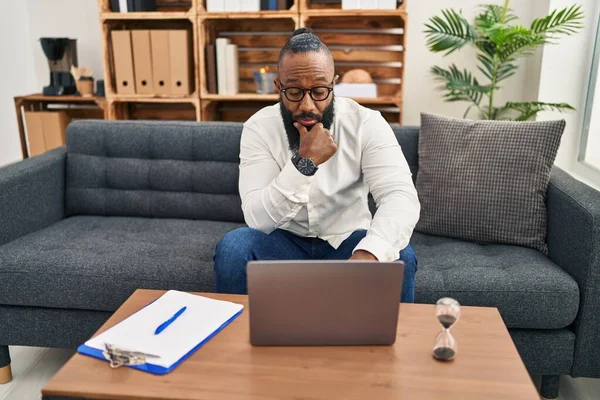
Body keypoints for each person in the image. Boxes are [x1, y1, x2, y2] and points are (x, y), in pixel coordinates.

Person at [213, 28, 421, 302]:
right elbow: (257, 219)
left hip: (348, 242)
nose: (307, 105)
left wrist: (368, 253)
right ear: (279, 87)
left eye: (319, 91)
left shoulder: (367, 123)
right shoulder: (259, 128)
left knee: (400, 255)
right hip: (283, 243)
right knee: (235, 247)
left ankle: (384, 344)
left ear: (334, 85)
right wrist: (304, 163)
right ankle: (239, 341)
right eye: (295, 92)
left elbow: (400, 197)